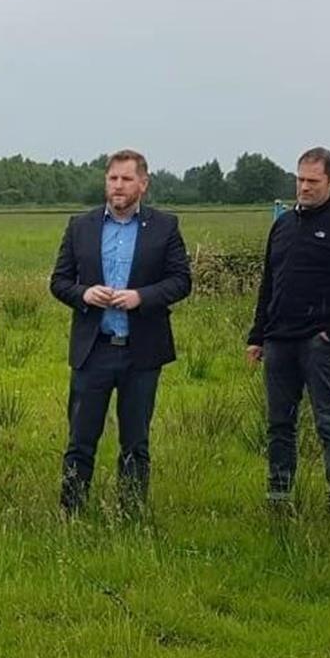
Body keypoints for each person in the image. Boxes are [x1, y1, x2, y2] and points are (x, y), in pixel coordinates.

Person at [48, 149, 192, 515]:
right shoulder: (80, 226)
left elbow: (180, 281)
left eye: (127, 179)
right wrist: (84, 293)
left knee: (136, 441)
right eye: (112, 178)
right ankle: (72, 513)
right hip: (93, 350)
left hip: (141, 351)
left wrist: (141, 297)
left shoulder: (165, 226)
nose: (118, 186)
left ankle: (130, 514)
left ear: (143, 184)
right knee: (80, 439)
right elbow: (59, 281)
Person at [248, 147, 330, 507]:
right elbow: (269, 281)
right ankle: (279, 495)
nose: (304, 187)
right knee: (279, 425)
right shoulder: (283, 225)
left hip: (322, 344)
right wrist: (258, 335)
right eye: (300, 179)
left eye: (313, 181)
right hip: (278, 341)